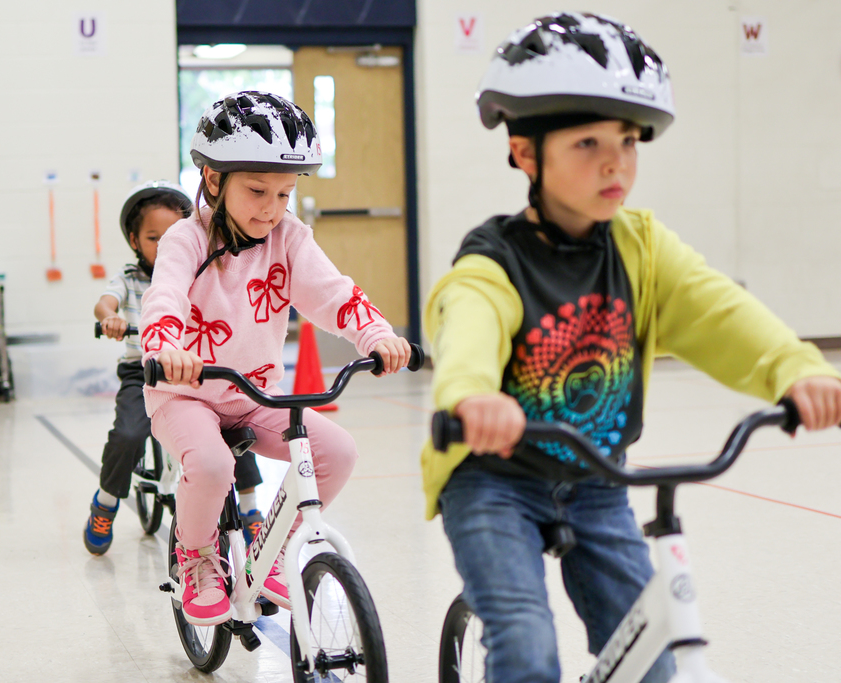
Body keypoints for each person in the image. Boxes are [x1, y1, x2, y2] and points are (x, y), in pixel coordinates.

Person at [421, 13, 841, 683]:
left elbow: (719, 309)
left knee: (653, 659)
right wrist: (473, 396)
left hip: (597, 481)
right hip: (497, 481)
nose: (615, 160)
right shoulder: (493, 261)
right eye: (587, 142)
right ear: (526, 152)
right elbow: (466, 323)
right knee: (528, 652)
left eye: (627, 139)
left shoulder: (640, 250)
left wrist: (796, 369)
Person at [139, 91, 412, 625]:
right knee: (214, 463)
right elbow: (164, 297)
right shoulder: (186, 239)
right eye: (258, 191)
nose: (272, 208)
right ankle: (195, 555)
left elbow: (332, 293)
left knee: (336, 450)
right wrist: (165, 348)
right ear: (214, 181)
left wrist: (377, 335)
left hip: (253, 394)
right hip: (184, 394)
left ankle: (275, 550)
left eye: (285, 194)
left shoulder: (288, 238)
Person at [84, 181, 266, 555]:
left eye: (172, 235)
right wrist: (111, 319)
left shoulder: (198, 272)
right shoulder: (130, 278)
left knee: (235, 427)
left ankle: (250, 511)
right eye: (153, 237)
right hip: (144, 371)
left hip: (195, 371)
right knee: (128, 435)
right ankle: (105, 501)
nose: (164, 245)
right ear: (135, 241)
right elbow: (104, 303)